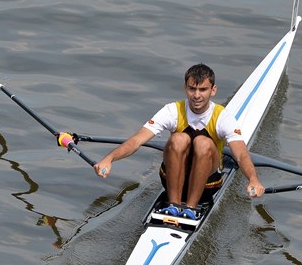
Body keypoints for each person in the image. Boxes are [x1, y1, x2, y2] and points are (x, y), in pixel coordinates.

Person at [94, 63, 264, 219]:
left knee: (202, 143)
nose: (197, 95)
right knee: (178, 139)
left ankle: (191, 208)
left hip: (207, 185)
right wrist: (109, 159)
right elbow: (137, 140)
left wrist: (253, 179)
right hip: (171, 180)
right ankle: (173, 205)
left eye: (203, 90)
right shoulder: (172, 110)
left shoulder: (223, 117)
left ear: (213, 90)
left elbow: (241, 154)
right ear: (185, 88)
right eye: (192, 89)